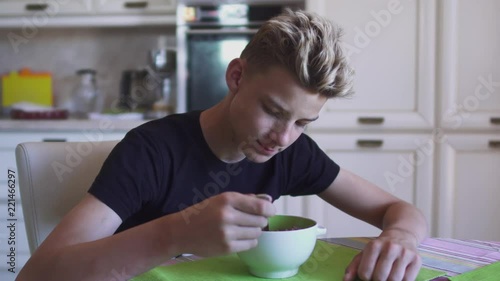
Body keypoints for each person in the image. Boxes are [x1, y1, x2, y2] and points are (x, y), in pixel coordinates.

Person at [17, 9, 427, 281]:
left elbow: (399, 211)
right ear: (236, 76)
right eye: (273, 110)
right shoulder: (152, 150)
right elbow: (37, 275)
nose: (283, 138)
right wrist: (176, 234)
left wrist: (401, 238)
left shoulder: (291, 151)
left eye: (303, 122)